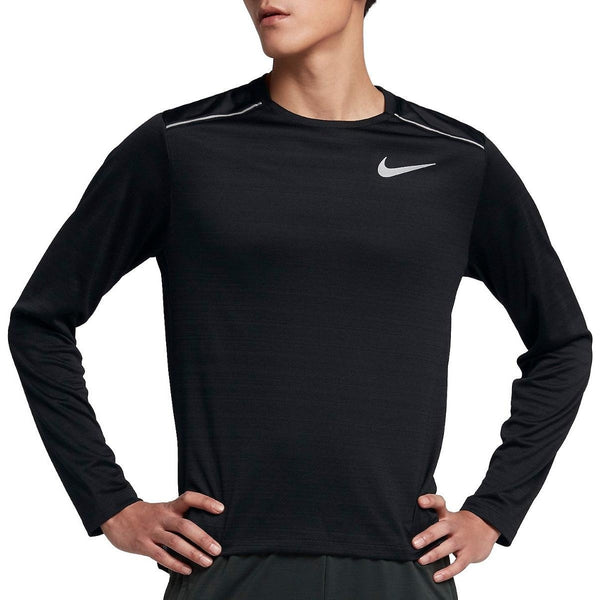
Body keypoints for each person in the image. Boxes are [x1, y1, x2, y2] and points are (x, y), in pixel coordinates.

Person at [7, 1, 593, 598]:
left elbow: (563, 343)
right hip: (225, 563)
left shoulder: (458, 161)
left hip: (403, 564)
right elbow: (40, 322)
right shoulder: (183, 147)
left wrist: (494, 510)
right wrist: (109, 501)